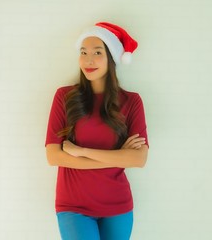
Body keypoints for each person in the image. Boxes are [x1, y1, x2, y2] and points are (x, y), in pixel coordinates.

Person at [45, 22, 149, 240]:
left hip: (118, 205)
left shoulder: (132, 101)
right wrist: (120, 157)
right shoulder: (64, 97)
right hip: (73, 206)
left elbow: (139, 159)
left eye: (97, 52)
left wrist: (81, 151)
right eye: (83, 52)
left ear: (111, 58)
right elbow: (54, 156)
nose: (88, 60)